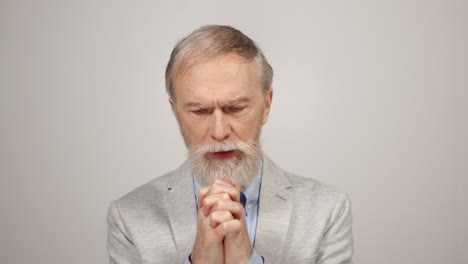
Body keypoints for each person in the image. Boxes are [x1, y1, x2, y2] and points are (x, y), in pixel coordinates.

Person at [107, 25, 353, 264]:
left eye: (235, 108)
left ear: (266, 106)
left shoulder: (328, 210)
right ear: (176, 112)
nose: (219, 132)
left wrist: (249, 261)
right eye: (200, 111)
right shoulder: (128, 217)